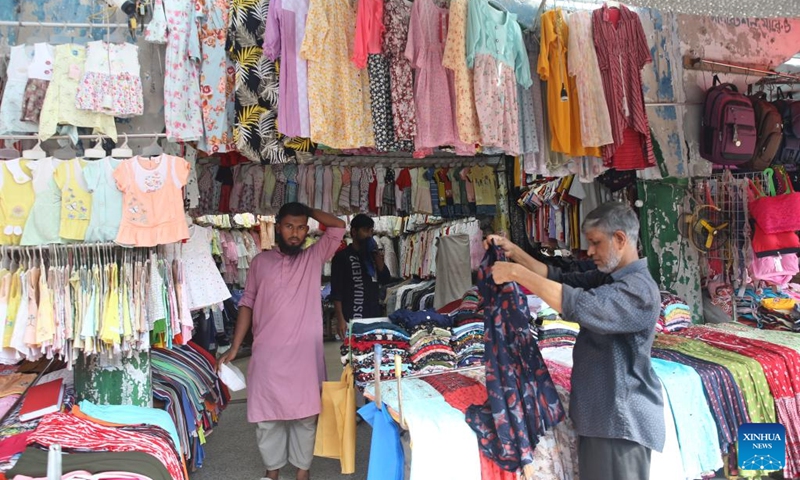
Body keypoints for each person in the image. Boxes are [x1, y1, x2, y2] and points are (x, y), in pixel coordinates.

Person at [487, 201, 665, 480]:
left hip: (619, 419)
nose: (590, 251)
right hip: (603, 417)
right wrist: (515, 253)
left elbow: (577, 304)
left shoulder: (638, 291)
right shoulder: (610, 278)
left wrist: (515, 274)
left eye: (595, 242)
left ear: (620, 239)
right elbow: (559, 278)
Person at [217, 202, 346, 480]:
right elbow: (247, 303)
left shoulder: (313, 257)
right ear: (278, 227)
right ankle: (272, 471)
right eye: (289, 226)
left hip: (305, 356)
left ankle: (302, 471)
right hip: (268, 354)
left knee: (306, 416)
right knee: (267, 417)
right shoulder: (260, 262)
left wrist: (307, 211)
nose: (295, 233)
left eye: (301, 228)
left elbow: (337, 227)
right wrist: (236, 346)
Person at [331, 214, 392, 339]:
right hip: (352, 318)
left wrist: (376, 255)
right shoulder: (342, 257)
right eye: (365, 230)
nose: (369, 235)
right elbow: (336, 292)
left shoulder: (372, 256)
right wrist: (340, 319)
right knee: (353, 355)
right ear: (354, 231)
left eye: (371, 231)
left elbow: (386, 279)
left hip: (373, 317)